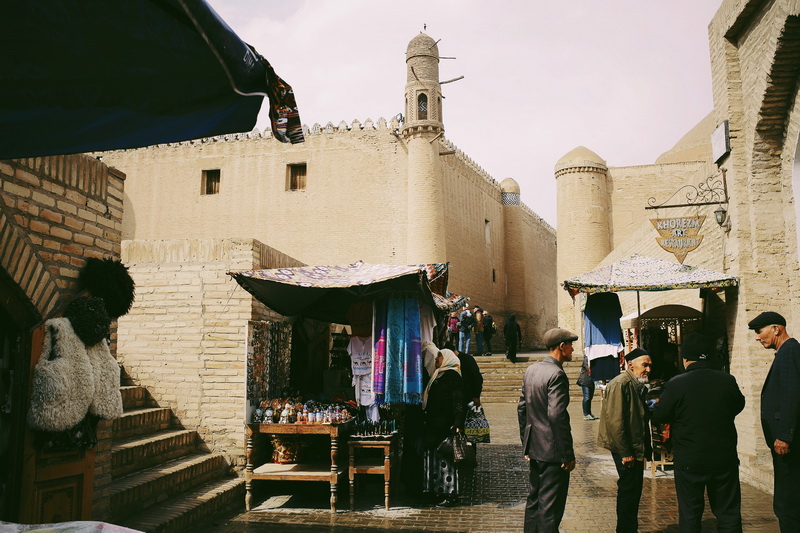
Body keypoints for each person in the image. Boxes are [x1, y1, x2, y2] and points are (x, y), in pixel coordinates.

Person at [653, 332, 745, 532]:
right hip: (724, 458)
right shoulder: (727, 380)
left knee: (690, 514)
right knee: (728, 514)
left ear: (686, 359)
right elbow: (738, 405)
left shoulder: (677, 383)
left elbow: (661, 415)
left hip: (690, 459)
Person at [517, 327, 577, 532]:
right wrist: (567, 453)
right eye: (570, 345)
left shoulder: (532, 370)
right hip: (552, 452)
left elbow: (522, 408)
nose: (572, 349)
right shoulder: (557, 374)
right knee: (550, 508)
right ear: (561, 346)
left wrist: (526, 443)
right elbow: (556, 415)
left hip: (535, 447)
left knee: (534, 501)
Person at [748, 311, 800, 532]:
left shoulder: (790, 352)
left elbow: (792, 394)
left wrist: (784, 435)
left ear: (776, 329)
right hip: (784, 441)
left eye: (760, 331)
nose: (758, 337)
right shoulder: (786, 352)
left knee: (787, 500)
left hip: (788, 442)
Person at [597, 348, 652, 533]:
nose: (648, 369)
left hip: (633, 446)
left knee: (634, 490)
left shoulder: (634, 384)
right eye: (645, 365)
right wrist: (625, 452)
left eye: (650, 365)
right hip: (626, 448)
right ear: (630, 365)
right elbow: (615, 422)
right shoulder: (620, 384)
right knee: (629, 491)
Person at [422, 348, 467, 506]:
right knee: (434, 457)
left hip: (446, 424)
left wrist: (458, 423)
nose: (436, 361)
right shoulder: (436, 375)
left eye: (439, 358)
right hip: (433, 424)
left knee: (446, 458)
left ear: (446, 359)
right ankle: (434, 491)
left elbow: (459, 402)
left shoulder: (453, 376)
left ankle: (449, 493)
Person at [447, 341, 483, 408]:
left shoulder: (467, 359)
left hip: (468, 396)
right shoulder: (449, 361)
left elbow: (477, 377)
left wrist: (476, 395)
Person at [577, 355, 598, 420]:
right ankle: (586, 414)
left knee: (590, 397)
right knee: (587, 397)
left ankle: (589, 413)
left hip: (591, 380)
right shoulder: (587, 358)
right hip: (585, 380)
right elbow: (588, 367)